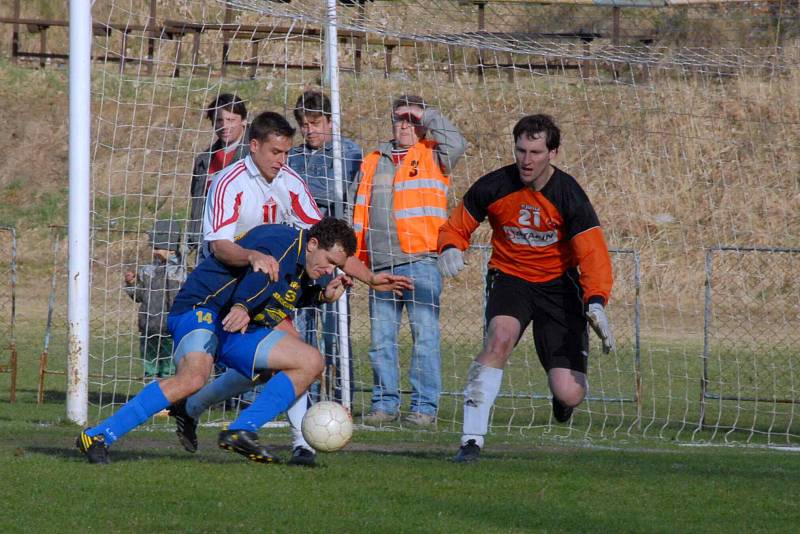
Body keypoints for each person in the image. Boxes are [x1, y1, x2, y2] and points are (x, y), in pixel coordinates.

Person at [173, 111, 411, 467]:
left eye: (286, 153)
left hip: (271, 282)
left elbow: (328, 240)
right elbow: (220, 246)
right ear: (256, 147)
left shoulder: (290, 182)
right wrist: (253, 257)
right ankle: (300, 441)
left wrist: (371, 278)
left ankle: (193, 408)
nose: (283, 161)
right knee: (295, 355)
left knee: (279, 363)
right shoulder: (228, 181)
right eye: (276, 152)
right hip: (227, 285)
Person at [77, 218, 356, 465]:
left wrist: (322, 296)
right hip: (201, 308)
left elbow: (288, 292)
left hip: (235, 323)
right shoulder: (280, 240)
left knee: (310, 362)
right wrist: (242, 306)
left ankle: (241, 430)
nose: (330, 270)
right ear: (313, 244)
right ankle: (97, 436)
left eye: (337, 267)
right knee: (193, 377)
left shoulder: (302, 267)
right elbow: (259, 273)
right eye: (330, 262)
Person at [437, 114, 615, 463]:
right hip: (510, 278)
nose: (527, 160)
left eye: (535, 151)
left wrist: (595, 301)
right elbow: (455, 226)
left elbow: (593, 253)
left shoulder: (569, 195)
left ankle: (561, 402)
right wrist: (448, 247)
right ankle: (471, 441)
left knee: (570, 393)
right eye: (521, 150)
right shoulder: (493, 186)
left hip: (559, 287)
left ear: (554, 153)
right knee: (498, 338)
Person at [352, 94, 467, 427]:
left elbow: (458, 142)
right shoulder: (375, 158)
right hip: (381, 264)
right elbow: (359, 210)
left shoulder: (434, 153)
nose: (404, 125)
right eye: (399, 119)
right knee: (380, 341)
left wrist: (427, 113)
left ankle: (424, 408)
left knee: (425, 338)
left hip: (422, 261)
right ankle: (384, 405)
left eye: (411, 120)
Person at [288, 90, 362, 402]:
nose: (309, 130)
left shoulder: (348, 152)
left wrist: (300, 189)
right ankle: (305, 395)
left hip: (332, 258)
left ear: (330, 121)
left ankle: (342, 395)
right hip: (302, 257)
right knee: (301, 331)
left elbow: (337, 190)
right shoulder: (293, 156)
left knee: (335, 330)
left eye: (315, 122)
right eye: (304, 124)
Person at [123, 219, 186, 378]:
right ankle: (149, 390)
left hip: (169, 330)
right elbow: (139, 296)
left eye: (158, 248)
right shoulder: (148, 270)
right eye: (154, 247)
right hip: (148, 327)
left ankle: (169, 398)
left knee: (169, 369)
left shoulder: (181, 273)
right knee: (149, 369)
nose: (154, 252)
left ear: (172, 249)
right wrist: (131, 283)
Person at [187, 93, 250, 253]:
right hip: (207, 242)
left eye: (230, 120)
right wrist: (195, 237)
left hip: (242, 242)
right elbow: (197, 201)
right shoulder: (204, 161)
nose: (224, 126)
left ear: (243, 120)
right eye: (219, 121)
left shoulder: (255, 156)